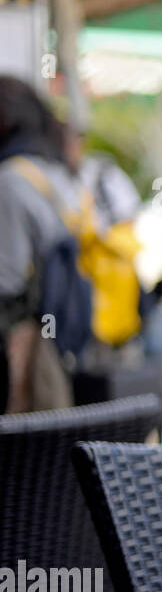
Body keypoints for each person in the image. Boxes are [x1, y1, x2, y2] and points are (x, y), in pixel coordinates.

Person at [0, 77, 81, 413]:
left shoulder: (10, 179)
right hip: (61, 336)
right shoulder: (56, 174)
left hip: (23, 344)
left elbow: (8, 277)